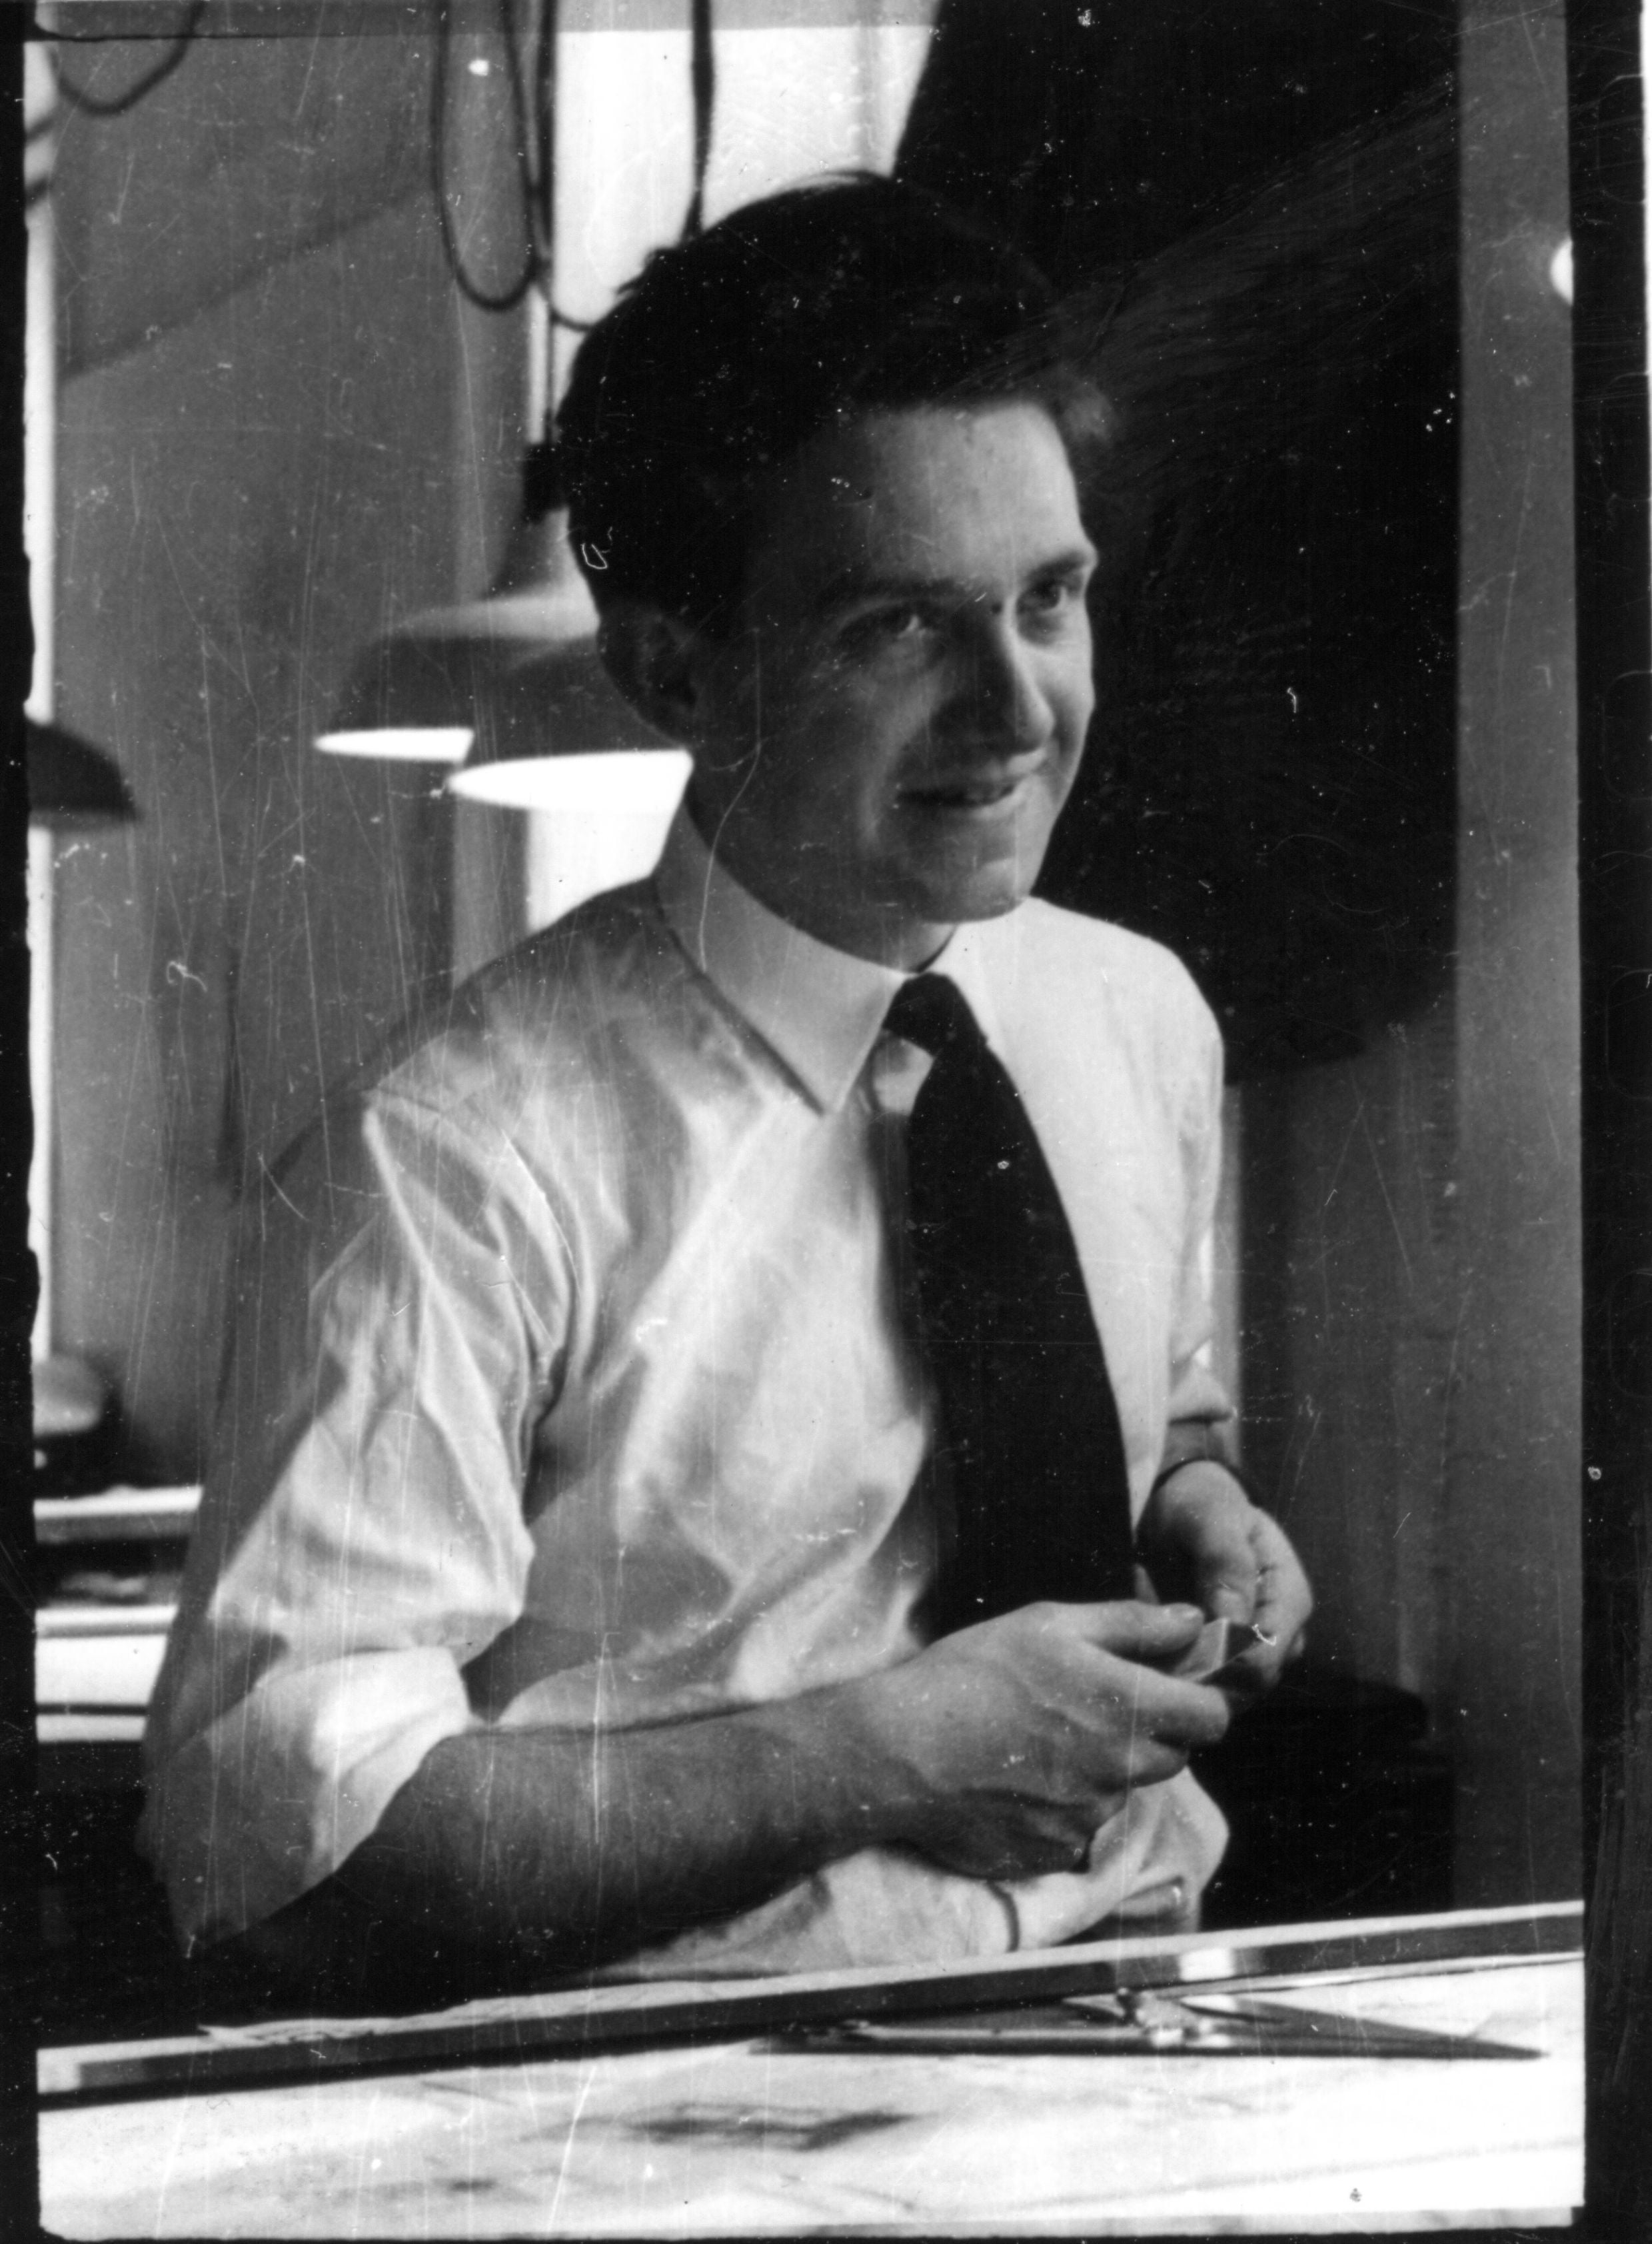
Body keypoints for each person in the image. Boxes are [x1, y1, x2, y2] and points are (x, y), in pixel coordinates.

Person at [141, 177, 1311, 1995]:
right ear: (675, 673)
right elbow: (294, 1859)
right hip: (669, 2089)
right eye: (900, 627)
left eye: (1050, 598)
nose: (1020, 706)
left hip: (1142, 1994)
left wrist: (1199, 1510)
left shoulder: (1134, 1012)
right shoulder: (448, 1157)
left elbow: (1166, 1415)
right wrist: (889, 1751)